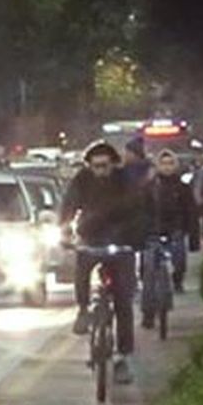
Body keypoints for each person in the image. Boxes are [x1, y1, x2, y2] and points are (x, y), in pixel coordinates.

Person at [62, 141, 146, 385]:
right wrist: (66, 231)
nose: (100, 170)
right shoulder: (81, 181)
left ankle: (123, 358)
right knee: (82, 268)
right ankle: (83, 310)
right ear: (89, 166)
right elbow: (68, 206)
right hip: (91, 239)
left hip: (122, 242)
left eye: (105, 165)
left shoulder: (125, 181)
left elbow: (137, 208)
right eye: (95, 166)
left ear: (113, 164)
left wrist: (134, 238)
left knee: (123, 302)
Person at [141, 150, 196, 328]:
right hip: (152, 234)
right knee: (148, 272)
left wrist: (193, 236)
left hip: (175, 232)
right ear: (157, 166)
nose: (167, 167)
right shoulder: (148, 188)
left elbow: (191, 213)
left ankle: (177, 280)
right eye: (163, 163)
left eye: (170, 163)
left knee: (179, 259)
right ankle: (148, 313)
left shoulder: (183, 188)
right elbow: (139, 212)